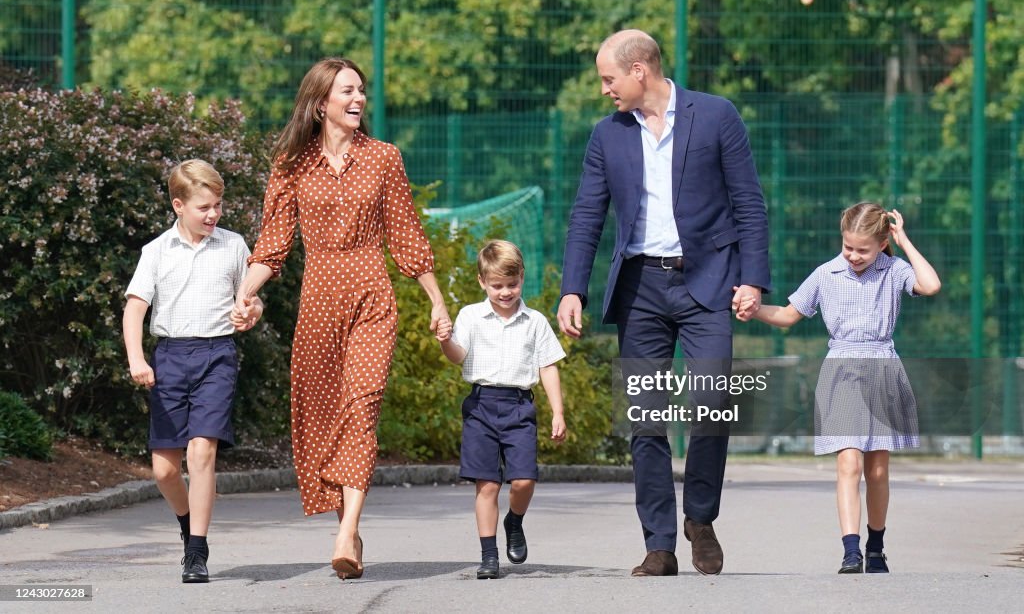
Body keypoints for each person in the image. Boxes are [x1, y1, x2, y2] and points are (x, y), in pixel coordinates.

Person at [557, 29, 771, 577]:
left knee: (711, 404)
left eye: (608, 78)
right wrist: (573, 288)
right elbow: (587, 214)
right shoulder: (608, 135)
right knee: (647, 421)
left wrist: (753, 280)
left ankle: (700, 516)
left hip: (707, 284)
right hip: (641, 291)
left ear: (639, 71)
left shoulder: (716, 116)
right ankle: (659, 543)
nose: (604, 89)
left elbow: (749, 203)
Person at [232, 57, 451, 580]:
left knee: (363, 405)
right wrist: (245, 294)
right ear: (319, 102)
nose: (358, 100)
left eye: (362, 91)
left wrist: (436, 300)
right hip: (318, 302)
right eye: (347, 91)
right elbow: (273, 243)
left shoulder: (383, 158)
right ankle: (348, 523)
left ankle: (346, 530)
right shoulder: (291, 165)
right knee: (326, 417)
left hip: (372, 295)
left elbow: (405, 233)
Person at [741, 203, 940, 574]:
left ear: (882, 244)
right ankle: (851, 551)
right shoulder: (826, 273)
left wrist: (904, 240)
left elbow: (930, 285)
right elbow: (788, 314)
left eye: (863, 249)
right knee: (848, 463)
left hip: (882, 369)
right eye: (848, 246)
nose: (853, 255)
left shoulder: (894, 270)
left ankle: (876, 547)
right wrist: (755, 310)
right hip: (841, 372)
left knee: (877, 470)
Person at [123, 159, 264, 584]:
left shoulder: (234, 246)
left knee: (202, 450)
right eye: (204, 207)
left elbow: (251, 300)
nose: (213, 214)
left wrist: (252, 310)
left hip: (218, 355)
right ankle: (187, 526)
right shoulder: (156, 251)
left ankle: (197, 552)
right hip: (169, 358)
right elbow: (134, 310)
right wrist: (137, 358)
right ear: (178, 205)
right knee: (165, 469)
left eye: (218, 205)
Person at [437, 240, 567, 579]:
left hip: (519, 406)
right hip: (481, 406)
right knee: (487, 484)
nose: (505, 292)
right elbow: (458, 356)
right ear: (482, 282)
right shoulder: (470, 316)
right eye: (497, 286)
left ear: (521, 278)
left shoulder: (535, 321)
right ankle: (489, 556)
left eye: (512, 284)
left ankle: (515, 521)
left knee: (523, 480)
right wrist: (444, 341)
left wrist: (557, 412)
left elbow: (548, 366)